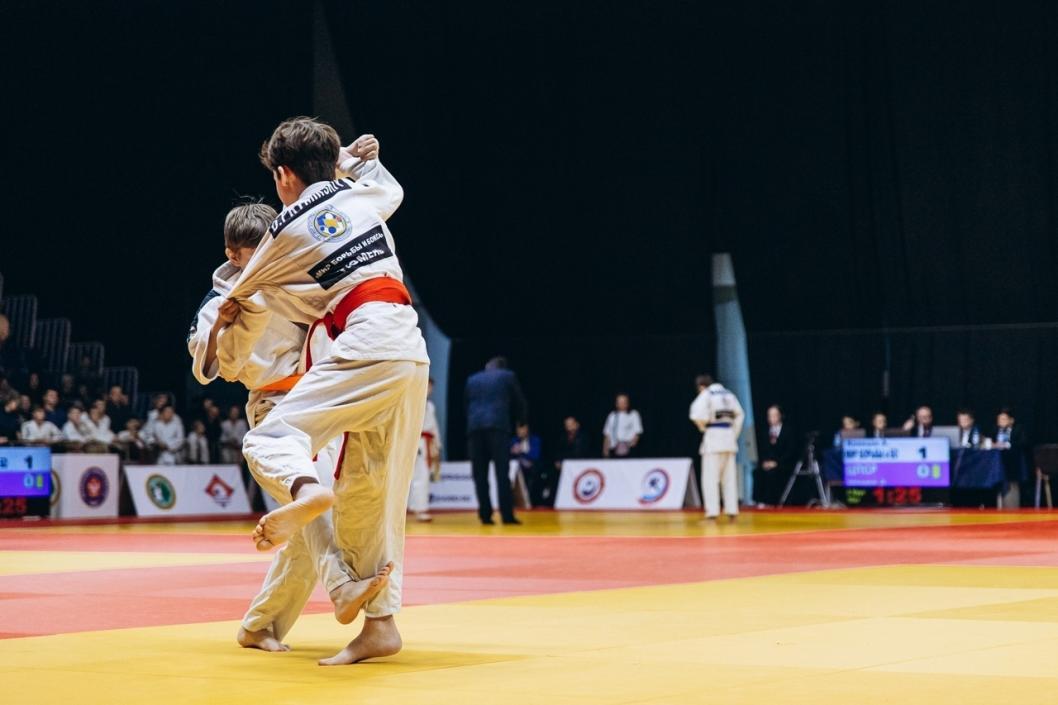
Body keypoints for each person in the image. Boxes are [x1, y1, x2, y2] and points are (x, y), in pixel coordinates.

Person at [220, 120, 428, 665]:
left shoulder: (283, 227)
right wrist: (353, 160)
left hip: (365, 342)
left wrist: (222, 320)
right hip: (409, 346)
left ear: (283, 175)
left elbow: (242, 291)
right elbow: (391, 188)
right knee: (371, 488)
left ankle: (306, 488)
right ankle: (380, 626)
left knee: (269, 440)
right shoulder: (361, 196)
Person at [189, 201, 375, 652]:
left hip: (320, 397)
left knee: (309, 523)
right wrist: (221, 328)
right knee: (316, 503)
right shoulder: (219, 299)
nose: (269, 256)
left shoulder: (296, 275)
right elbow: (207, 368)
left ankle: (260, 626)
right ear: (233, 254)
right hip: (274, 404)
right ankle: (340, 586)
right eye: (257, 252)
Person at [465, 356, 527, 526]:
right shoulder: (508, 375)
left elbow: (466, 404)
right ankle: (507, 515)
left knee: (479, 474)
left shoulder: (472, 379)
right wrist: (522, 422)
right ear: (502, 367)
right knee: (502, 472)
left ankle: (485, 515)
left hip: (475, 428)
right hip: (498, 427)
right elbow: (519, 401)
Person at [689, 375, 745, 520]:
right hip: (729, 439)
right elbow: (740, 415)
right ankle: (732, 510)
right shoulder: (730, 394)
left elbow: (695, 414)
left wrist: (704, 425)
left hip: (713, 439)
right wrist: (733, 432)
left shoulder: (707, 394)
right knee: (729, 478)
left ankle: (712, 512)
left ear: (701, 386)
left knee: (710, 478)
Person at [408, 378, 441, 523]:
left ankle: (419, 508)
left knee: (423, 476)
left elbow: (434, 427)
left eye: (431, 387)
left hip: (427, 442)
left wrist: (437, 445)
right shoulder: (412, 402)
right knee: (419, 476)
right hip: (416, 442)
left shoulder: (430, 406)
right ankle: (418, 509)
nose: (429, 390)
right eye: (427, 386)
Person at [754, 404, 797, 507]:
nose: (771, 418)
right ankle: (759, 501)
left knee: (773, 474)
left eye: (774, 415)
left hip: (783, 463)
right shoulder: (765, 432)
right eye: (769, 416)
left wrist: (776, 463)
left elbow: (790, 451)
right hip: (768, 462)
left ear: (780, 416)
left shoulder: (787, 431)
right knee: (757, 472)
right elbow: (762, 450)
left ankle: (772, 502)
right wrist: (765, 462)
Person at [510, 422, 543, 506]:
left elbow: (535, 455)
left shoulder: (535, 440)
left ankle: (531, 501)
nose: (520, 432)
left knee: (533, 471)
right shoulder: (514, 440)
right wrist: (512, 451)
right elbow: (509, 454)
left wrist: (522, 451)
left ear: (526, 430)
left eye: (522, 430)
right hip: (517, 468)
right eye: (518, 430)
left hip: (532, 467)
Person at [602, 393, 643, 458]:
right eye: (619, 402)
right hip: (614, 450)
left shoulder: (633, 414)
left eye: (624, 402)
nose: (622, 404)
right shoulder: (612, 416)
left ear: (628, 403)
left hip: (628, 450)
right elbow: (607, 434)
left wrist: (630, 446)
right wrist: (605, 450)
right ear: (616, 404)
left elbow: (638, 433)